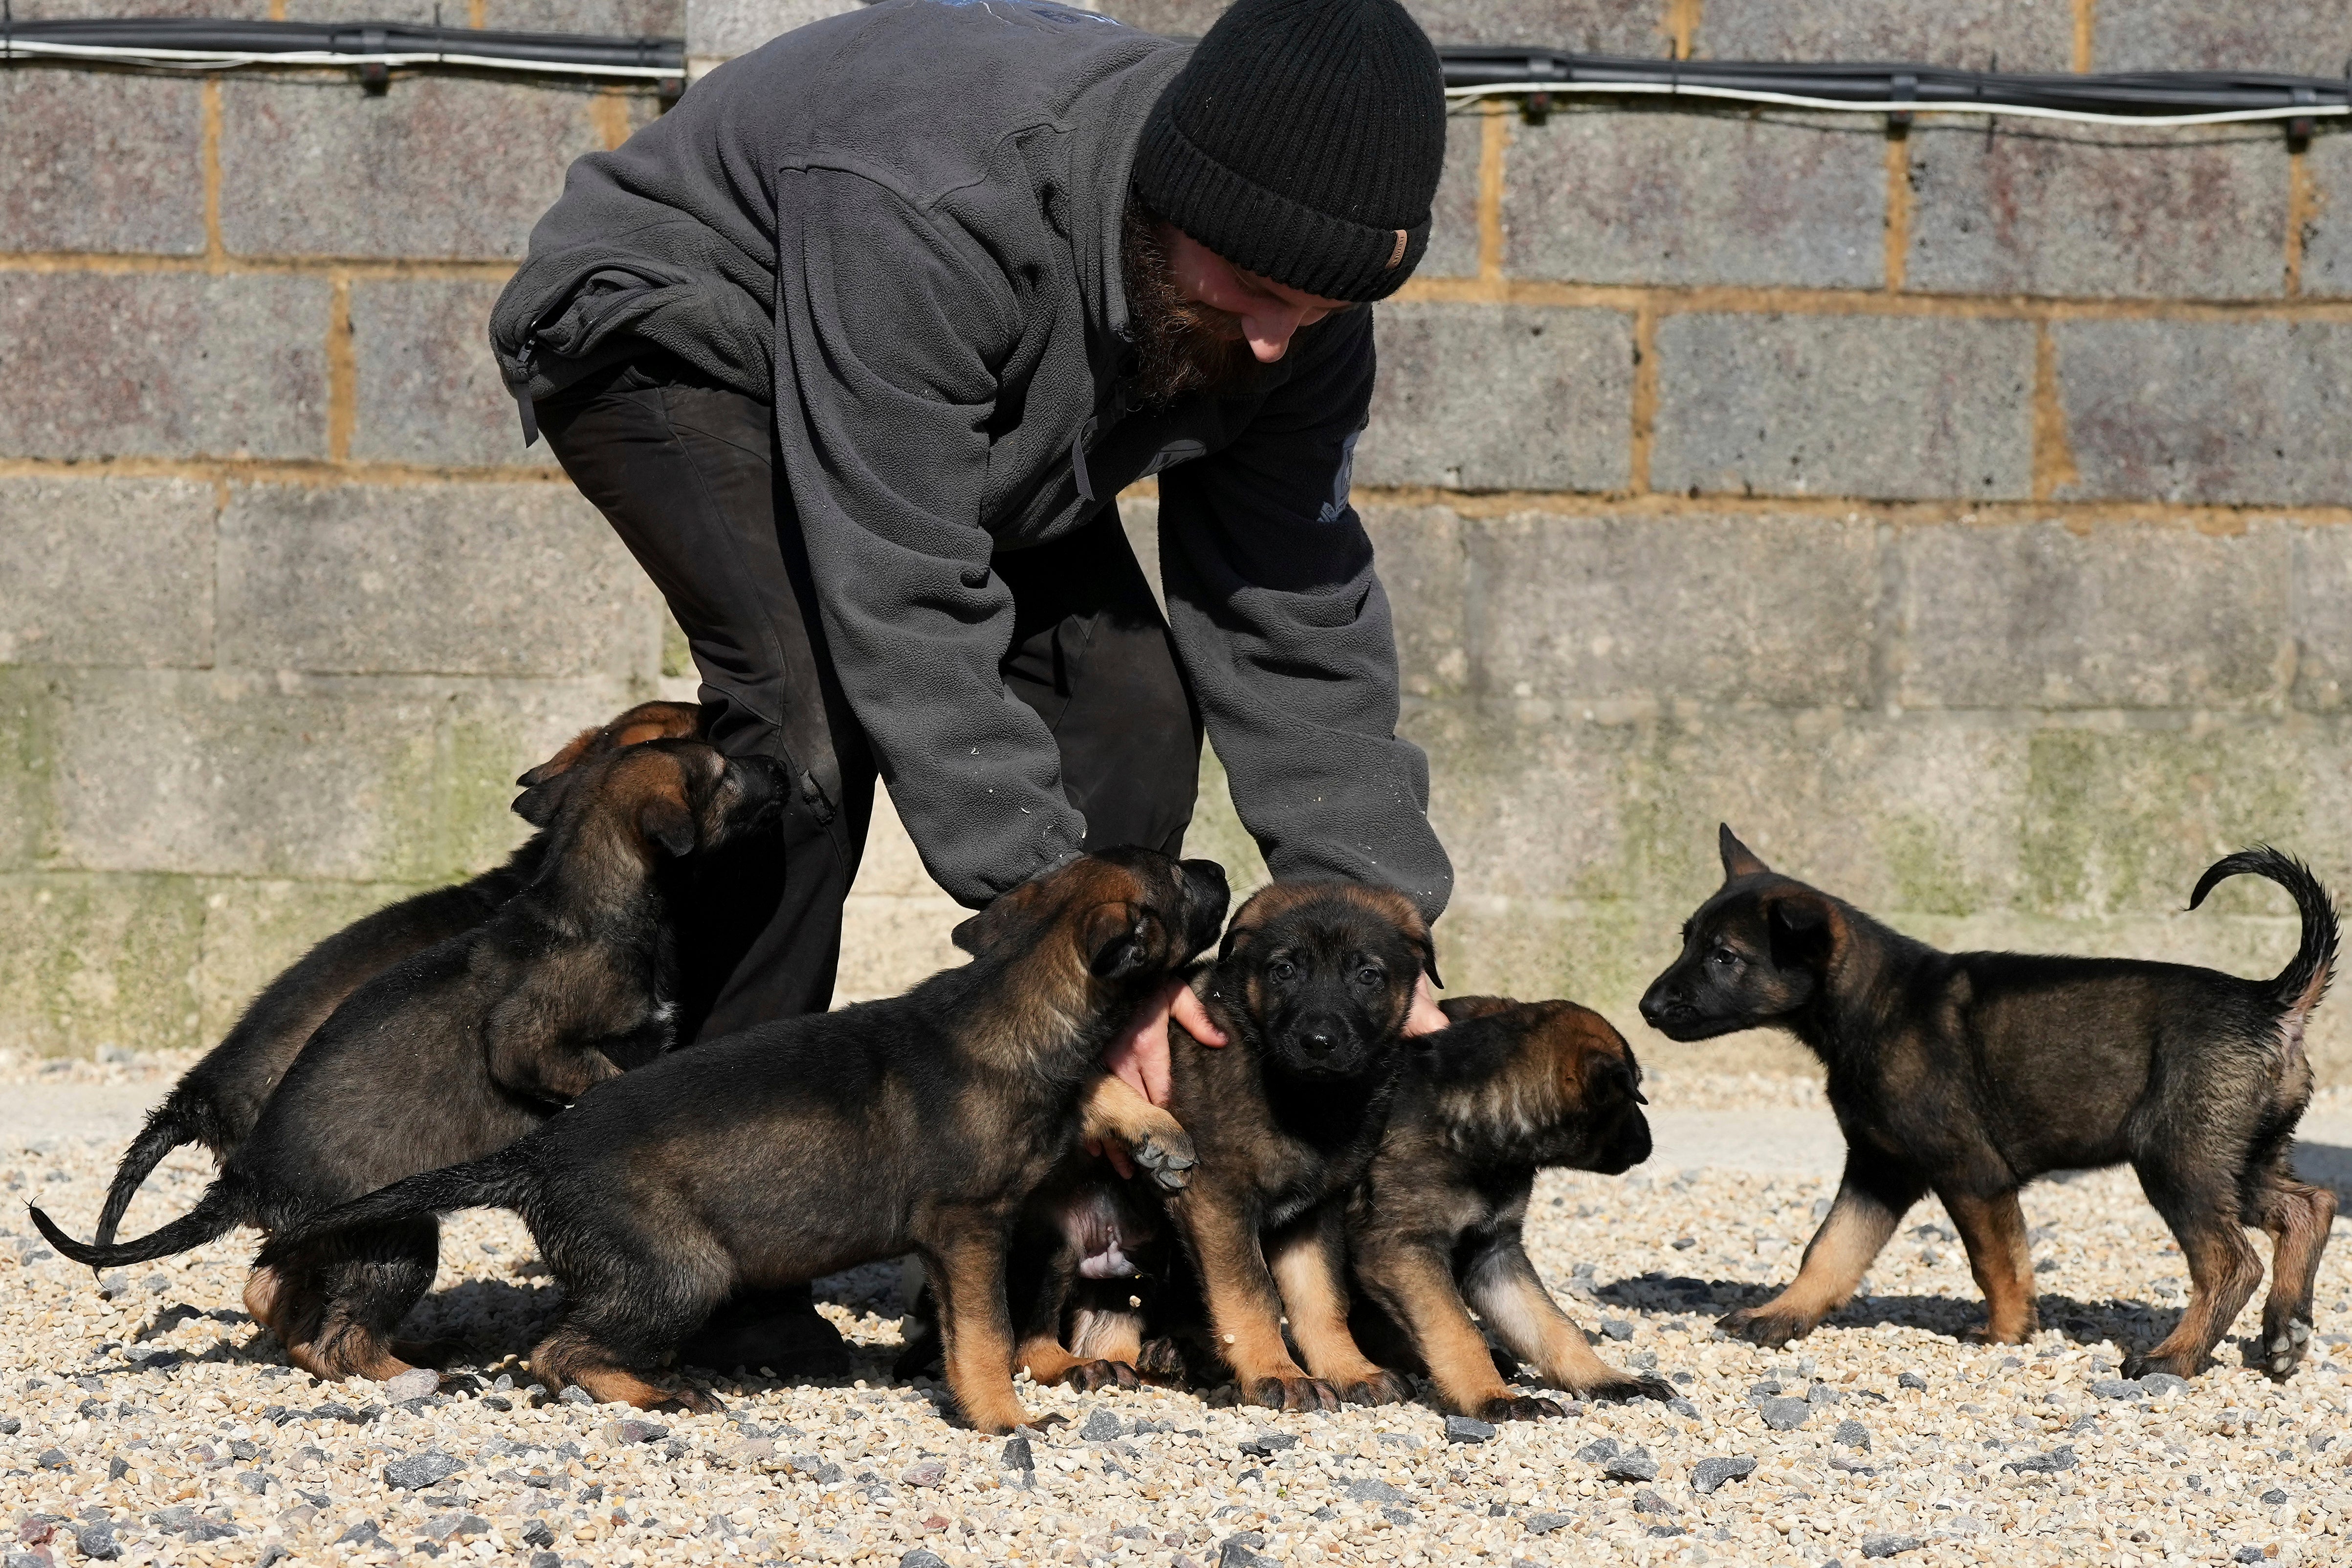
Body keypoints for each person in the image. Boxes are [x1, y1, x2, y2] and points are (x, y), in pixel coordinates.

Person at [490, 0, 1455, 1369]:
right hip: (686, 325)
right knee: (801, 736)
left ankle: (1078, 1219)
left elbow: (1289, 604)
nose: (1271, 346)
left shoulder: (1284, 308)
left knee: (1128, 709)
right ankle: (700, 1207)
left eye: (1317, 310)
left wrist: (1381, 915)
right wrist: (1048, 921)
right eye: (1253, 292)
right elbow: (901, 582)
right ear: (1167, 203)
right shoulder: (929, 195)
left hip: (980, 417)